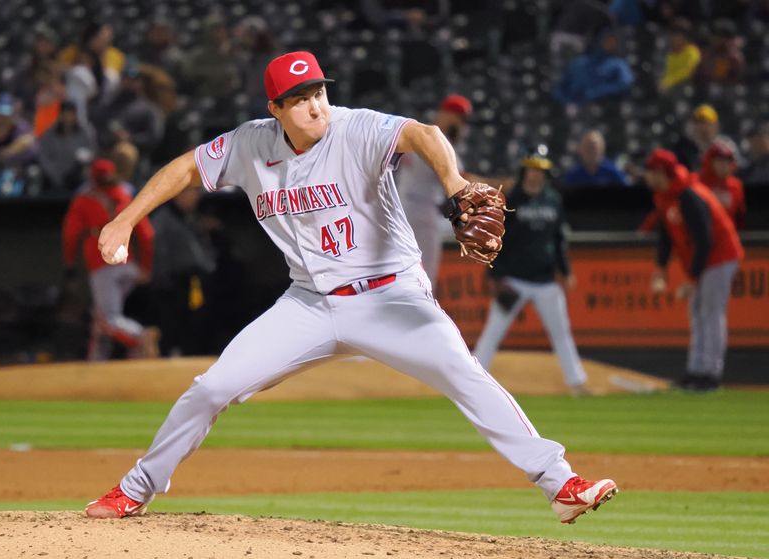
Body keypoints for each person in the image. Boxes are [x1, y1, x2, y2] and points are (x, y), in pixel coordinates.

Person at [84, 51, 617, 523]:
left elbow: (424, 135)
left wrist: (454, 184)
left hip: (391, 295)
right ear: (275, 109)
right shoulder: (251, 144)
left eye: (318, 91)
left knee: (463, 372)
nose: (315, 106)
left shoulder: (356, 127)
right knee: (212, 388)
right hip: (309, 303)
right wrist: (125, 219)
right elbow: (183, 168)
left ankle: (560, 484)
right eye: (298, 99)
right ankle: (136, 489)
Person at [474, 146, 589, 396]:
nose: (535, 175)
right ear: (524, 172)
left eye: (540, 171)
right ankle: (471, 381)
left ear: (546, 174)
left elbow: (559, 239)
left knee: (561, 333)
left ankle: (576, 383)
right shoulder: (511, 201)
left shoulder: (553, 200)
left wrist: (566, 270)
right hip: (514, 279)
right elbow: (497, 239)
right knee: (493, 332)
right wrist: (494, 276)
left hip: (545, 280)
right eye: (531, 170)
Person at [645, 149, 743, 392]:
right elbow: (666, 235)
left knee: (711, 313)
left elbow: (705, 239)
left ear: (661, 172)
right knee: (698, 312)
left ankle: (711, 374)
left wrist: (692, 277)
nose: (647, 175)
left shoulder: (688, 194)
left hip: (721, 256)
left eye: (650, 170)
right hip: (704, 259)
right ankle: (696, 371)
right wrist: (661, 267)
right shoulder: (665, 194)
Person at [62, 158, 156, 360]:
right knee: (101, 317)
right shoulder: (124, 197)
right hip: (127, 266)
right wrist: (145, 267)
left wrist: (70, 262)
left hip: (102, 266)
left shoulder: (84, 200)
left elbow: (70, 235)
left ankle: (140, 336)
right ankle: (98, 362)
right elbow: (147, 235)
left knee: (108, 319)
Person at [395, 94, 472, 285]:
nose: (459, 123)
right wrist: (504, 184)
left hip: (402, 207)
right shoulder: (436, 140)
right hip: (420, 212)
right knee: (424, 280)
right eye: (457, 117)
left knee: (402, 275)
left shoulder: (418, 132)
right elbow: (462, 180)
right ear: (445, 113)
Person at [149, 185, 217, 356]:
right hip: (171, 284)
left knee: (195, 326)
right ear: (177, 194)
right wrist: (163, 281)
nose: (196, 196)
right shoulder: (163, 218)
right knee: (171, 326)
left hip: (193, 281)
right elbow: (158, 253)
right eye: (191, 191)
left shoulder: (191, 217)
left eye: (196, 192)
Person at [552, 29, 634, 106]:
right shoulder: (578, 63)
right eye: (607, 41)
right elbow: (562, 85)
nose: (610, 44)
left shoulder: (618, 64)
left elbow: (625, 83)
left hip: (604, 107)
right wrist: (566, 100)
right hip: (574, 107)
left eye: (613, 42)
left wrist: (597, 92)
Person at [37, 101, 97, 193]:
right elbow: (43, 157)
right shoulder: (50, 133)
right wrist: (55, 175)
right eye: (65, 114)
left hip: (79, 177)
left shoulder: (86, 131)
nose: (68, 118)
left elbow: (92, 152)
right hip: (54, 178)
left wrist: (81, 161)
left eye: (71, 114)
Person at [671, 104, 737, 172]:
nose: (703, 127)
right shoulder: (684, 147)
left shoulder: (725, 146)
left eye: (707, 123)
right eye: (699, 122)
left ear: (716, 125)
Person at [696, 141, 746, 229]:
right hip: (706, 232)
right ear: (710, 162)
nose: (724, 165)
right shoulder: (698, 184)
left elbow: (740, 215)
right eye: (719, 161)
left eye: (727, 161)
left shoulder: (736, 185)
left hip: (729, 233)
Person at [561, 130, 628, 188]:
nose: (591, 152)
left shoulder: (613, 172)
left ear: (602, 149)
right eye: (588, 148)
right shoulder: (573, 174)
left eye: (594, 148)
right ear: (581, 150)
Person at [658, 18, 700, 93]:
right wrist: (662, 82)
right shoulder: (669, 53)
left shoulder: (692, 52)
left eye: (678, 35)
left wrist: (667, 82)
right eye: (673, 34)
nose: (674, 38)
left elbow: (686, 72)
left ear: (685, 36)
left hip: (688, 88)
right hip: (669, 87)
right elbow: (666, 71)